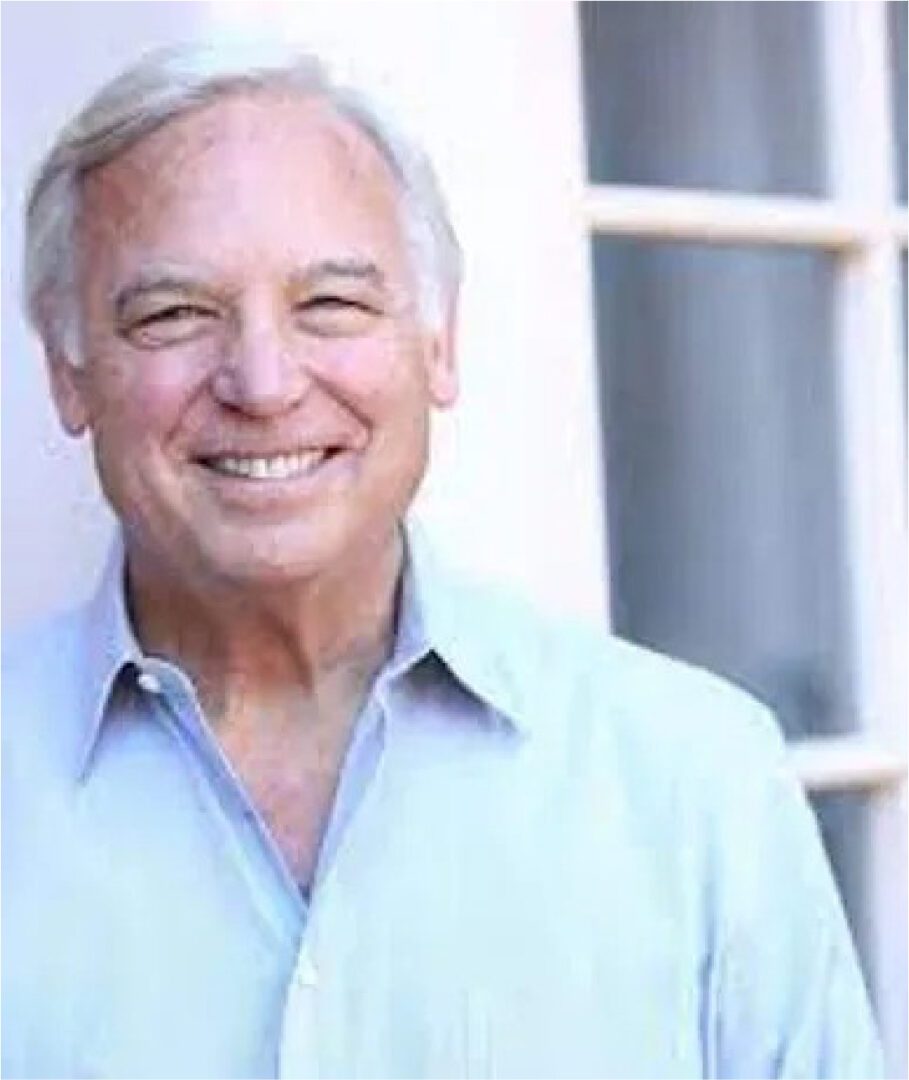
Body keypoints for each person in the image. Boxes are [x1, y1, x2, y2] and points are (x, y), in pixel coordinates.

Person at [2, 41, 883, 1080]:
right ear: (69, 374)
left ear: (438, 345)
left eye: (331, 303)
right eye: (175, 314)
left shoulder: (700, 784)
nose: (263, 380)